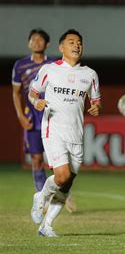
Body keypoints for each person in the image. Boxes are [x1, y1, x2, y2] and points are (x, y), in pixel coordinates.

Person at [29, 29, 101, 237]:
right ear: (61, 47)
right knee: (62, 175)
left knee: (66, 184)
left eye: (79, 42)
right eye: (71, 42)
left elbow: (96, 101)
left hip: (76, 135)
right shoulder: (49, 70)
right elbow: (33, 93)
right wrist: (37, 102)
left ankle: (47, 225)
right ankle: (40, 197)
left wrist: (97, 108)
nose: (76, 45)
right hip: (54, 130)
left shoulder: (90, 75)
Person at [12, 29, 77, 213]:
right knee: (36, 158)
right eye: (33, 39)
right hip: (32, 116)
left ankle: (64, 190)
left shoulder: (55, 64)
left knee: (59, 158)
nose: (36, 42)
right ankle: (42, 197)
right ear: (28, 43)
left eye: (40, 39)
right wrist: (20, 116)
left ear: (47, 44)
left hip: (52, 114)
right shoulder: (20, 66)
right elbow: (16, 93)